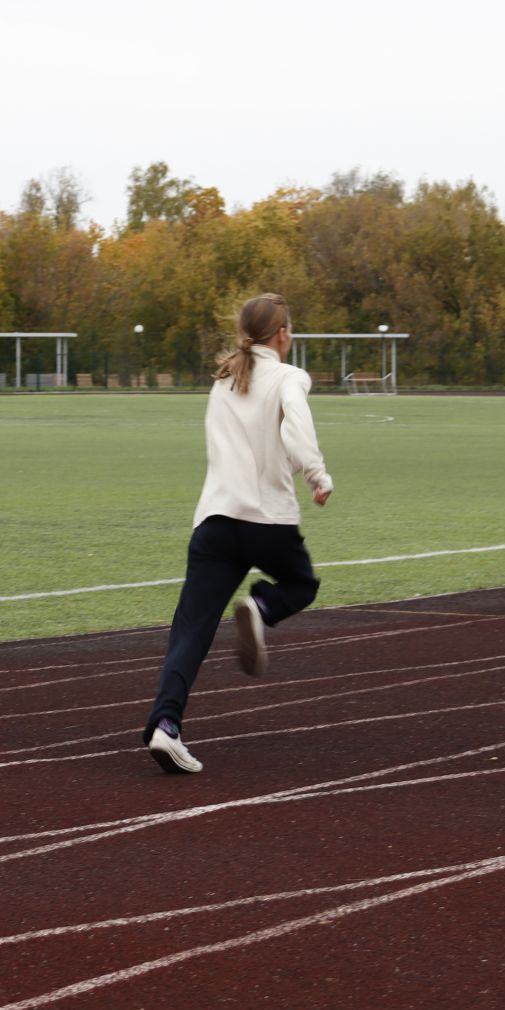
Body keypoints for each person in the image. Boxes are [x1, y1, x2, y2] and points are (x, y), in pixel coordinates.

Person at [142, 292, 333, 774]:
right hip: (267, 521)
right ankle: (259, 607)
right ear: (283, 335)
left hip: (215, 522)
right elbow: (295, 427)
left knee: (191, 629)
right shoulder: (290, 377)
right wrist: (317, 475)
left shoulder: (224, 381)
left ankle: (166, 726)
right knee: (301, 584)